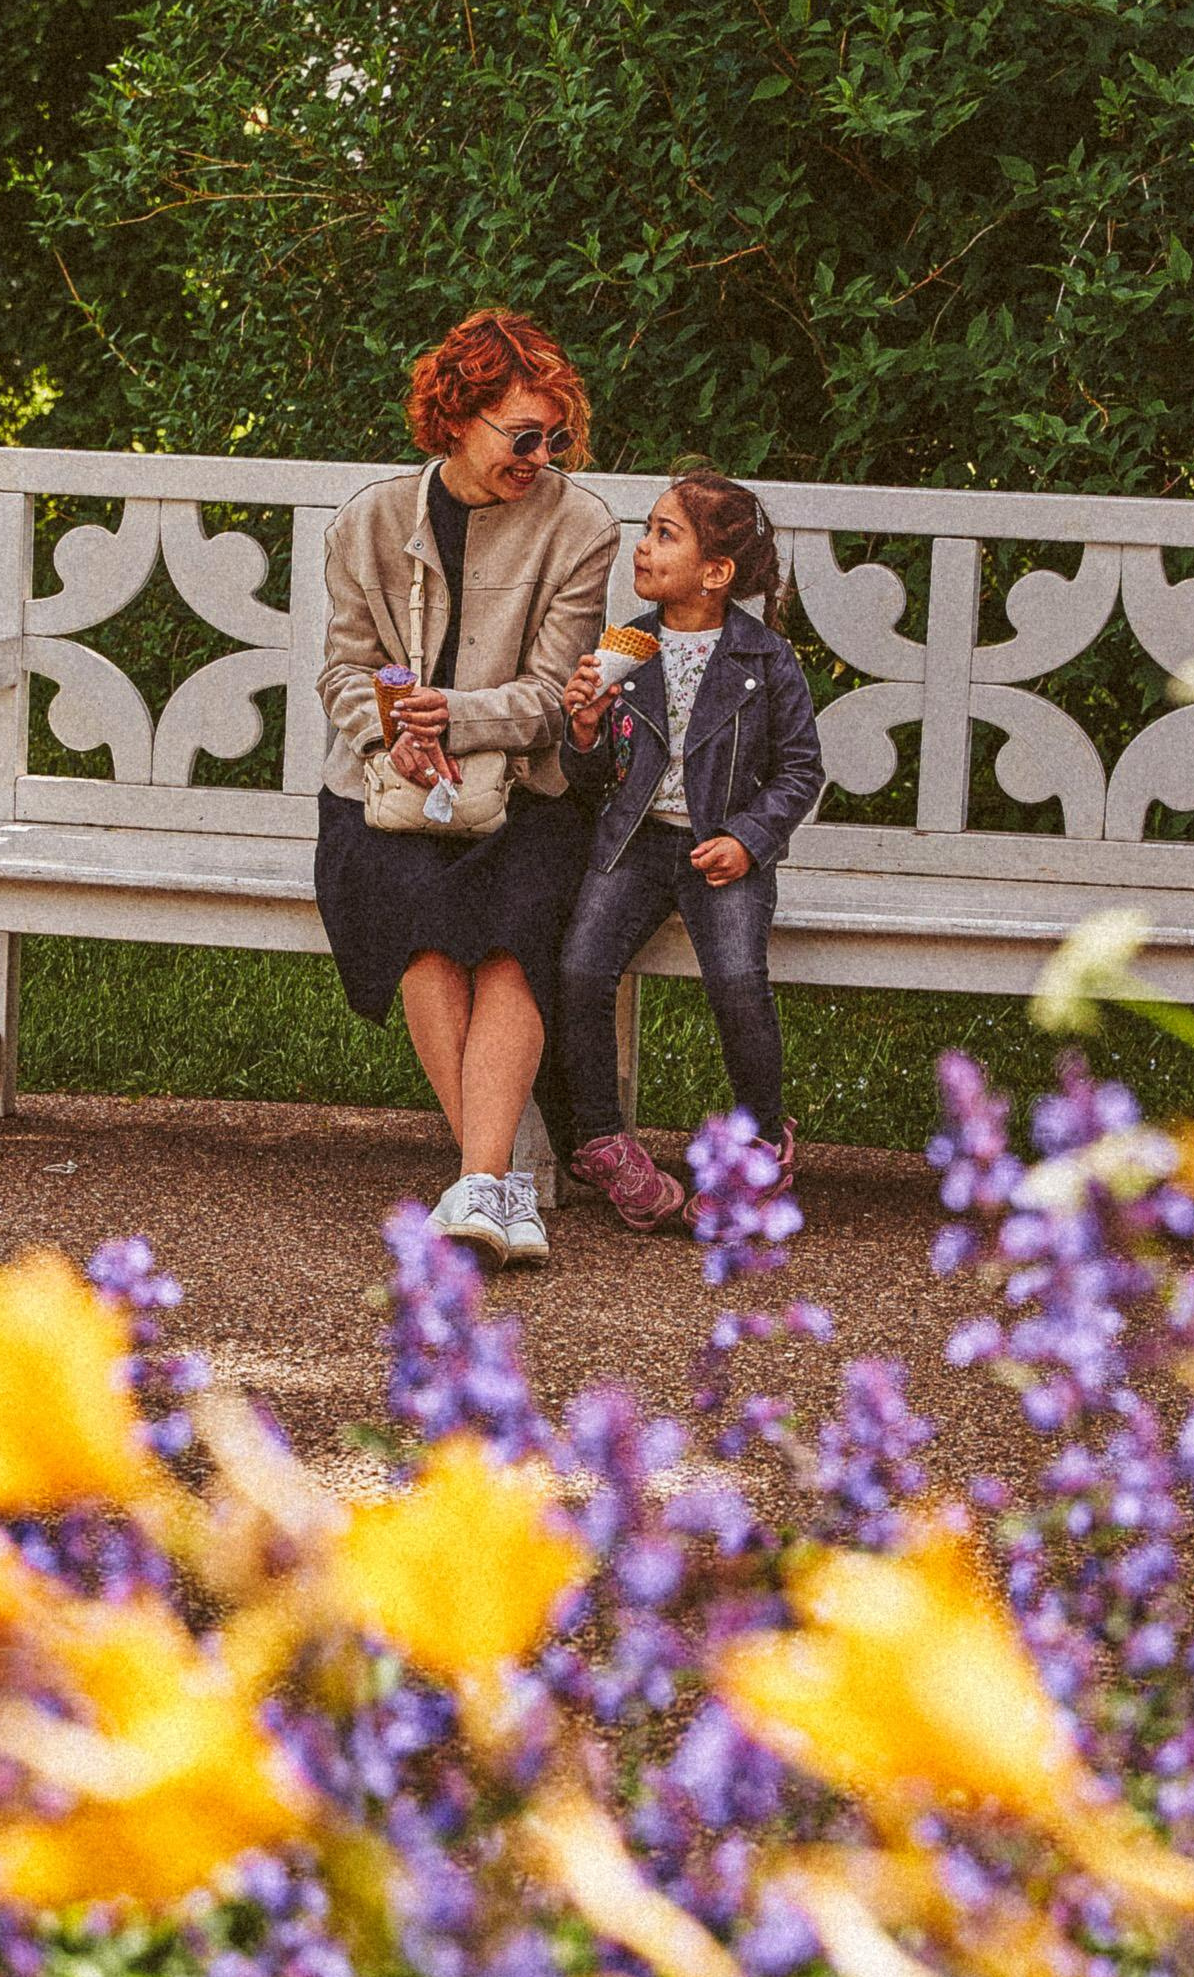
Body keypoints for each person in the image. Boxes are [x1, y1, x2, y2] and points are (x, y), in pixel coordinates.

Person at [315, 312, 618, 1266]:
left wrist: (454, 721)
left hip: (529, 788)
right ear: (455, 419)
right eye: (521, 434)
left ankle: (480, 1184)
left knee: (519, 929)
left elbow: (545, 694)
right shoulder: (370, 520)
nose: (541, 454)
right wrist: (389, 741)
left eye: (554, 436)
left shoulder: (581, 528)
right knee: (415, 913)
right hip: (387, 790)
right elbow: (345, 670)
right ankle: (500, 1183)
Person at [556, 469, 824, 1229]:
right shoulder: (627, 651)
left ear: (716, 573)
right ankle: (603, 1140)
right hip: (636, 846)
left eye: (664, 534)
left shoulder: (764, 659)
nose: (642, 546)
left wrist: (748, 838)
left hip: (720, 850)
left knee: (738, 984)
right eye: (645, 530)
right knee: (579, 969)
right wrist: (582, 727)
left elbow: (801, 768)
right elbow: (591, 776)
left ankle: (762, 1144)